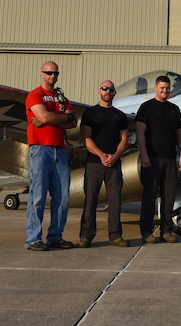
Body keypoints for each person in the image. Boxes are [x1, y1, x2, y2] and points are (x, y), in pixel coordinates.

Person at [24, 61, 78, 251]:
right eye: (48, 73)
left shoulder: (61, 97)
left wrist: (50, 118)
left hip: (60, 149)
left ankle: (55, 236)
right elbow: (47, 117)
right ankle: (33, 239)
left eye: (55, 73)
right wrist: (61, 118)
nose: (52, 77)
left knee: (63, 197)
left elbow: (73, 123)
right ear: (41, 74)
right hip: (40, 149)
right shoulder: (34, 95)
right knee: (38, 196)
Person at [78, 80, 130, 248]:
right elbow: (85, 138)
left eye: (111, 89)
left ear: (114, 93)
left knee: (115, 200)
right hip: (94, 163)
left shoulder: (120, 116)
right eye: (104, 88)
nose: (108, 91)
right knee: (91, 199)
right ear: (99, 91)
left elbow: (124, 139)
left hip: (114, 164)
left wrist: (114, 156)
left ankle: (115, 235)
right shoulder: (90, 113)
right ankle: (86, 236)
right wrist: (101, 155)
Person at [135, 75, 181, 244]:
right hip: (152, 159)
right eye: (162, 88)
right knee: (149, 196)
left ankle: (166, 231)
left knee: (169, 196)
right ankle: (146, 231)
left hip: (170, 159)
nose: (165, 91)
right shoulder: (146, 107)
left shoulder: (174, 109)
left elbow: (179, 133)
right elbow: (140, 132)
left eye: (167, 88)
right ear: (156, 88)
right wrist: (144, 154)